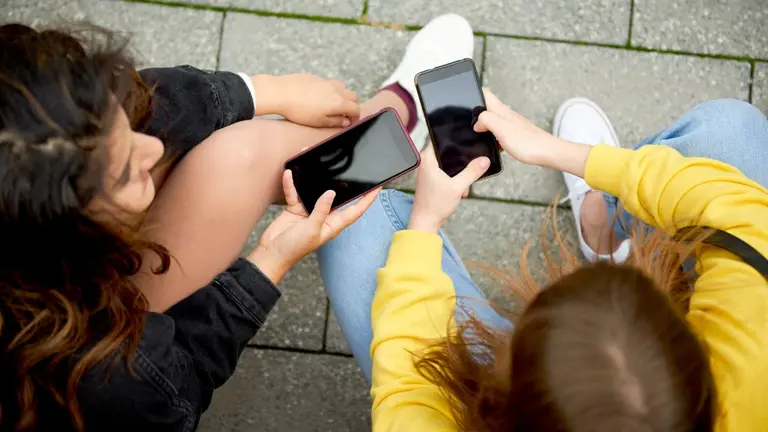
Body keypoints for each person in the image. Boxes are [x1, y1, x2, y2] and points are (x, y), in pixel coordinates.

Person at [0, 13, 464, 431]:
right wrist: (266, 267)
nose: (155, 150)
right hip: (110, 364)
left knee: (239, 153)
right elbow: (180, 379)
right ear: (62, 243)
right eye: (124, 173)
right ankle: (386, 128)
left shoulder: (27, 141)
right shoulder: (109, 384)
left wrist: (261, 89)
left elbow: (145, 104)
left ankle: (379, 125)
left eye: (118, 119)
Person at [319, 83, 768, 430]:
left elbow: (407, 381)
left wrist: (424, 222)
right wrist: (548, 149)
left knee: (351, 216)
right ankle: (602, 227)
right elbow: (734, 206)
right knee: (731, 132)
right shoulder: (753, 373)